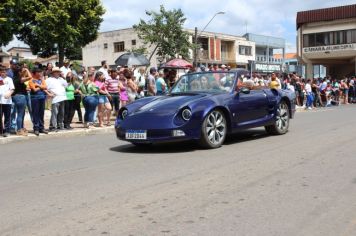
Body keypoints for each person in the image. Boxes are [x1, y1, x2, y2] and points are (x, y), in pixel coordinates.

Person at [46, 67, 68, 131]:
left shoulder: (61, 79)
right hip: (55, 98)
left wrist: (63, 77)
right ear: (53, 73)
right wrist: (50, 92)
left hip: (62, 97)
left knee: (61, 112)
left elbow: (66, 85)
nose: (58, 73)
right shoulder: (49, 79)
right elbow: (45, 88)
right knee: (55, 113)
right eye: (56, 72)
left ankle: (60, 125)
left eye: (59, 72)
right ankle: (53, 126)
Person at [29, 67, 48, 136]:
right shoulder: (31, 80)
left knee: (41, 113)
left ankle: (41, 128)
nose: (40, 74)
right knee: (35, 113)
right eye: (38, 72)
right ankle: (36, 128)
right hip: (35, 98)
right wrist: (41, 87)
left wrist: (38, 85)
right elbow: (34, 89)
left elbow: (45, 87)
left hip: (42, 98)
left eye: (40, 72)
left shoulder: (41, 80)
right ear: (35, 73)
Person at [0, 65, 15, 137]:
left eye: (4, 72)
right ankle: (1, 131)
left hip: (7, 101)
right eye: (2, 72)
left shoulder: (9, 79)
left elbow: (12, 89)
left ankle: (7, 131)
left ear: (6, 72)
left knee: (7, 117)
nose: (3, 73)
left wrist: (9, 94)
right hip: (0, 101)